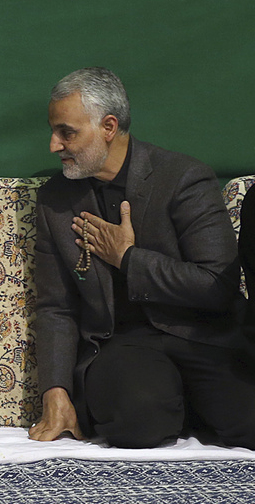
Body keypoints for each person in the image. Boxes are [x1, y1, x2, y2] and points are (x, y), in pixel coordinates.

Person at [27, 67, 255, 449]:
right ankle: (171, 405)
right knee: (137, 425)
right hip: (123, 343)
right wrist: (55, 391)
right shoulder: (56, 200)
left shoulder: (184, 178)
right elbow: (56, 307)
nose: (54, 145)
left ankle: (188, 405)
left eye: (67, 132)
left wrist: (128, 258)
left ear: (109, 126)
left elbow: (217, 285)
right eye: (54, 131)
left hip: (203, 335)